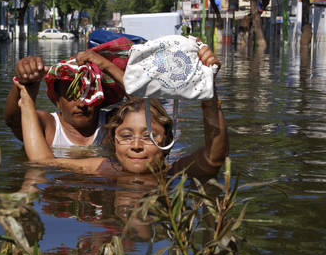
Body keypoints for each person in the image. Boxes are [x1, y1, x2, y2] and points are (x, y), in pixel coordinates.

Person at [14, 48, 228, 179]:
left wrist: (208, 93)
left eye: (149, 136)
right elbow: (43, 162)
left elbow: (214, 158)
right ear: (113, 141)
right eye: (126, 136)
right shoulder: (105, 168)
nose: (136, 145)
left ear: (168, 143)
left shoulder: (172, 173)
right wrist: (26, 95)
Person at [4, 53, 125, 148]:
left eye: (89, 94)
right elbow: (14, 121)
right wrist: (23, 82)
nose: (81, 104)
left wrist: (107, 66)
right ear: (57, 101)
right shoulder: (49, 125)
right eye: (71, 95)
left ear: (100, 98)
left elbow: (141, 106)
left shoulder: (112, 124)